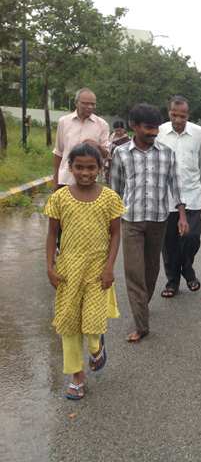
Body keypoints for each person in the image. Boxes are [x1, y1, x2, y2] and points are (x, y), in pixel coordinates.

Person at [44, 143, 126, 399]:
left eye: (91, 167)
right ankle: (76, 376)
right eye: (79, 167)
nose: (85, 172)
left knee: (91, 324)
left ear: (100, 169)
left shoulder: (110, 198)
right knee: (68, 324)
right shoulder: (59, 198)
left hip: (97, 270)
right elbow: (52, 234)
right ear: (70, 167)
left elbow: (115, 235)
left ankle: (95, 346)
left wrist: (109, 268)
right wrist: (49, 267)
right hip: (68, 271)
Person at [109, 103, 189, 342]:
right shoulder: (121, 154)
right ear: (134, 126)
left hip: (158, 221)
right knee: (134, 273)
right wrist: (110, 227)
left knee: (150, 272)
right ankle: (141, 325)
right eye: (148, 128)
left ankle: (142, 306)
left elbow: (176, 185)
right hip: (130, 221)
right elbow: (114, 192)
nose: (154, 133)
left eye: (156, 128)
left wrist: (182, 216)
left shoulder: (166, 153)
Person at [157, 96, 201, 298]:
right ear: (168, 112)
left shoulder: (198, 133)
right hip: (167, 199)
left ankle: (187, 269)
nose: (178, 120)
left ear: (189, 114)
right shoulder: (160, 132)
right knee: (169, 242)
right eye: (174, 115)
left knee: (192, 237)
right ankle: (172, 281)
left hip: (192, 195)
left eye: (183, 115)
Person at [53, 88, 110, 192]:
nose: (89, 107)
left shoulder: (102, 125)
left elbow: (106, 154)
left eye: (93, 104)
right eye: (85, 103)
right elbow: (59, 152)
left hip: (88, 180)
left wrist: (98, 147)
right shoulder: (64, 122)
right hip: (65, 178)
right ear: (76, 103)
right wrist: (55, 179)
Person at [103, 120, 130, 185]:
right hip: (110, 160)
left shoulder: (127, 139)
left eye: (120, 131)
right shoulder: (111, 136)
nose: (118, 133)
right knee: (109, 176)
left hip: (121, 161)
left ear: (124, 129)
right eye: (116, 131)